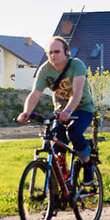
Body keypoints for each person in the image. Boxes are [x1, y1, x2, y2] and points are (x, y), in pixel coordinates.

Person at [17, 36, 96, 186]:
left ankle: (87, 164)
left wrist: (69, 112)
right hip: (60, 112)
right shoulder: (45, 70)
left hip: (82, 108)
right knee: (57, 147)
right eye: (50, 52)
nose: (53, 55)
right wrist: (26, 112)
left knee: (73, 133)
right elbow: (35, 94)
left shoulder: (77, 65)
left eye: (57, 52)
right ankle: (60, 190)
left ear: (67, 52)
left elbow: (77, 93)